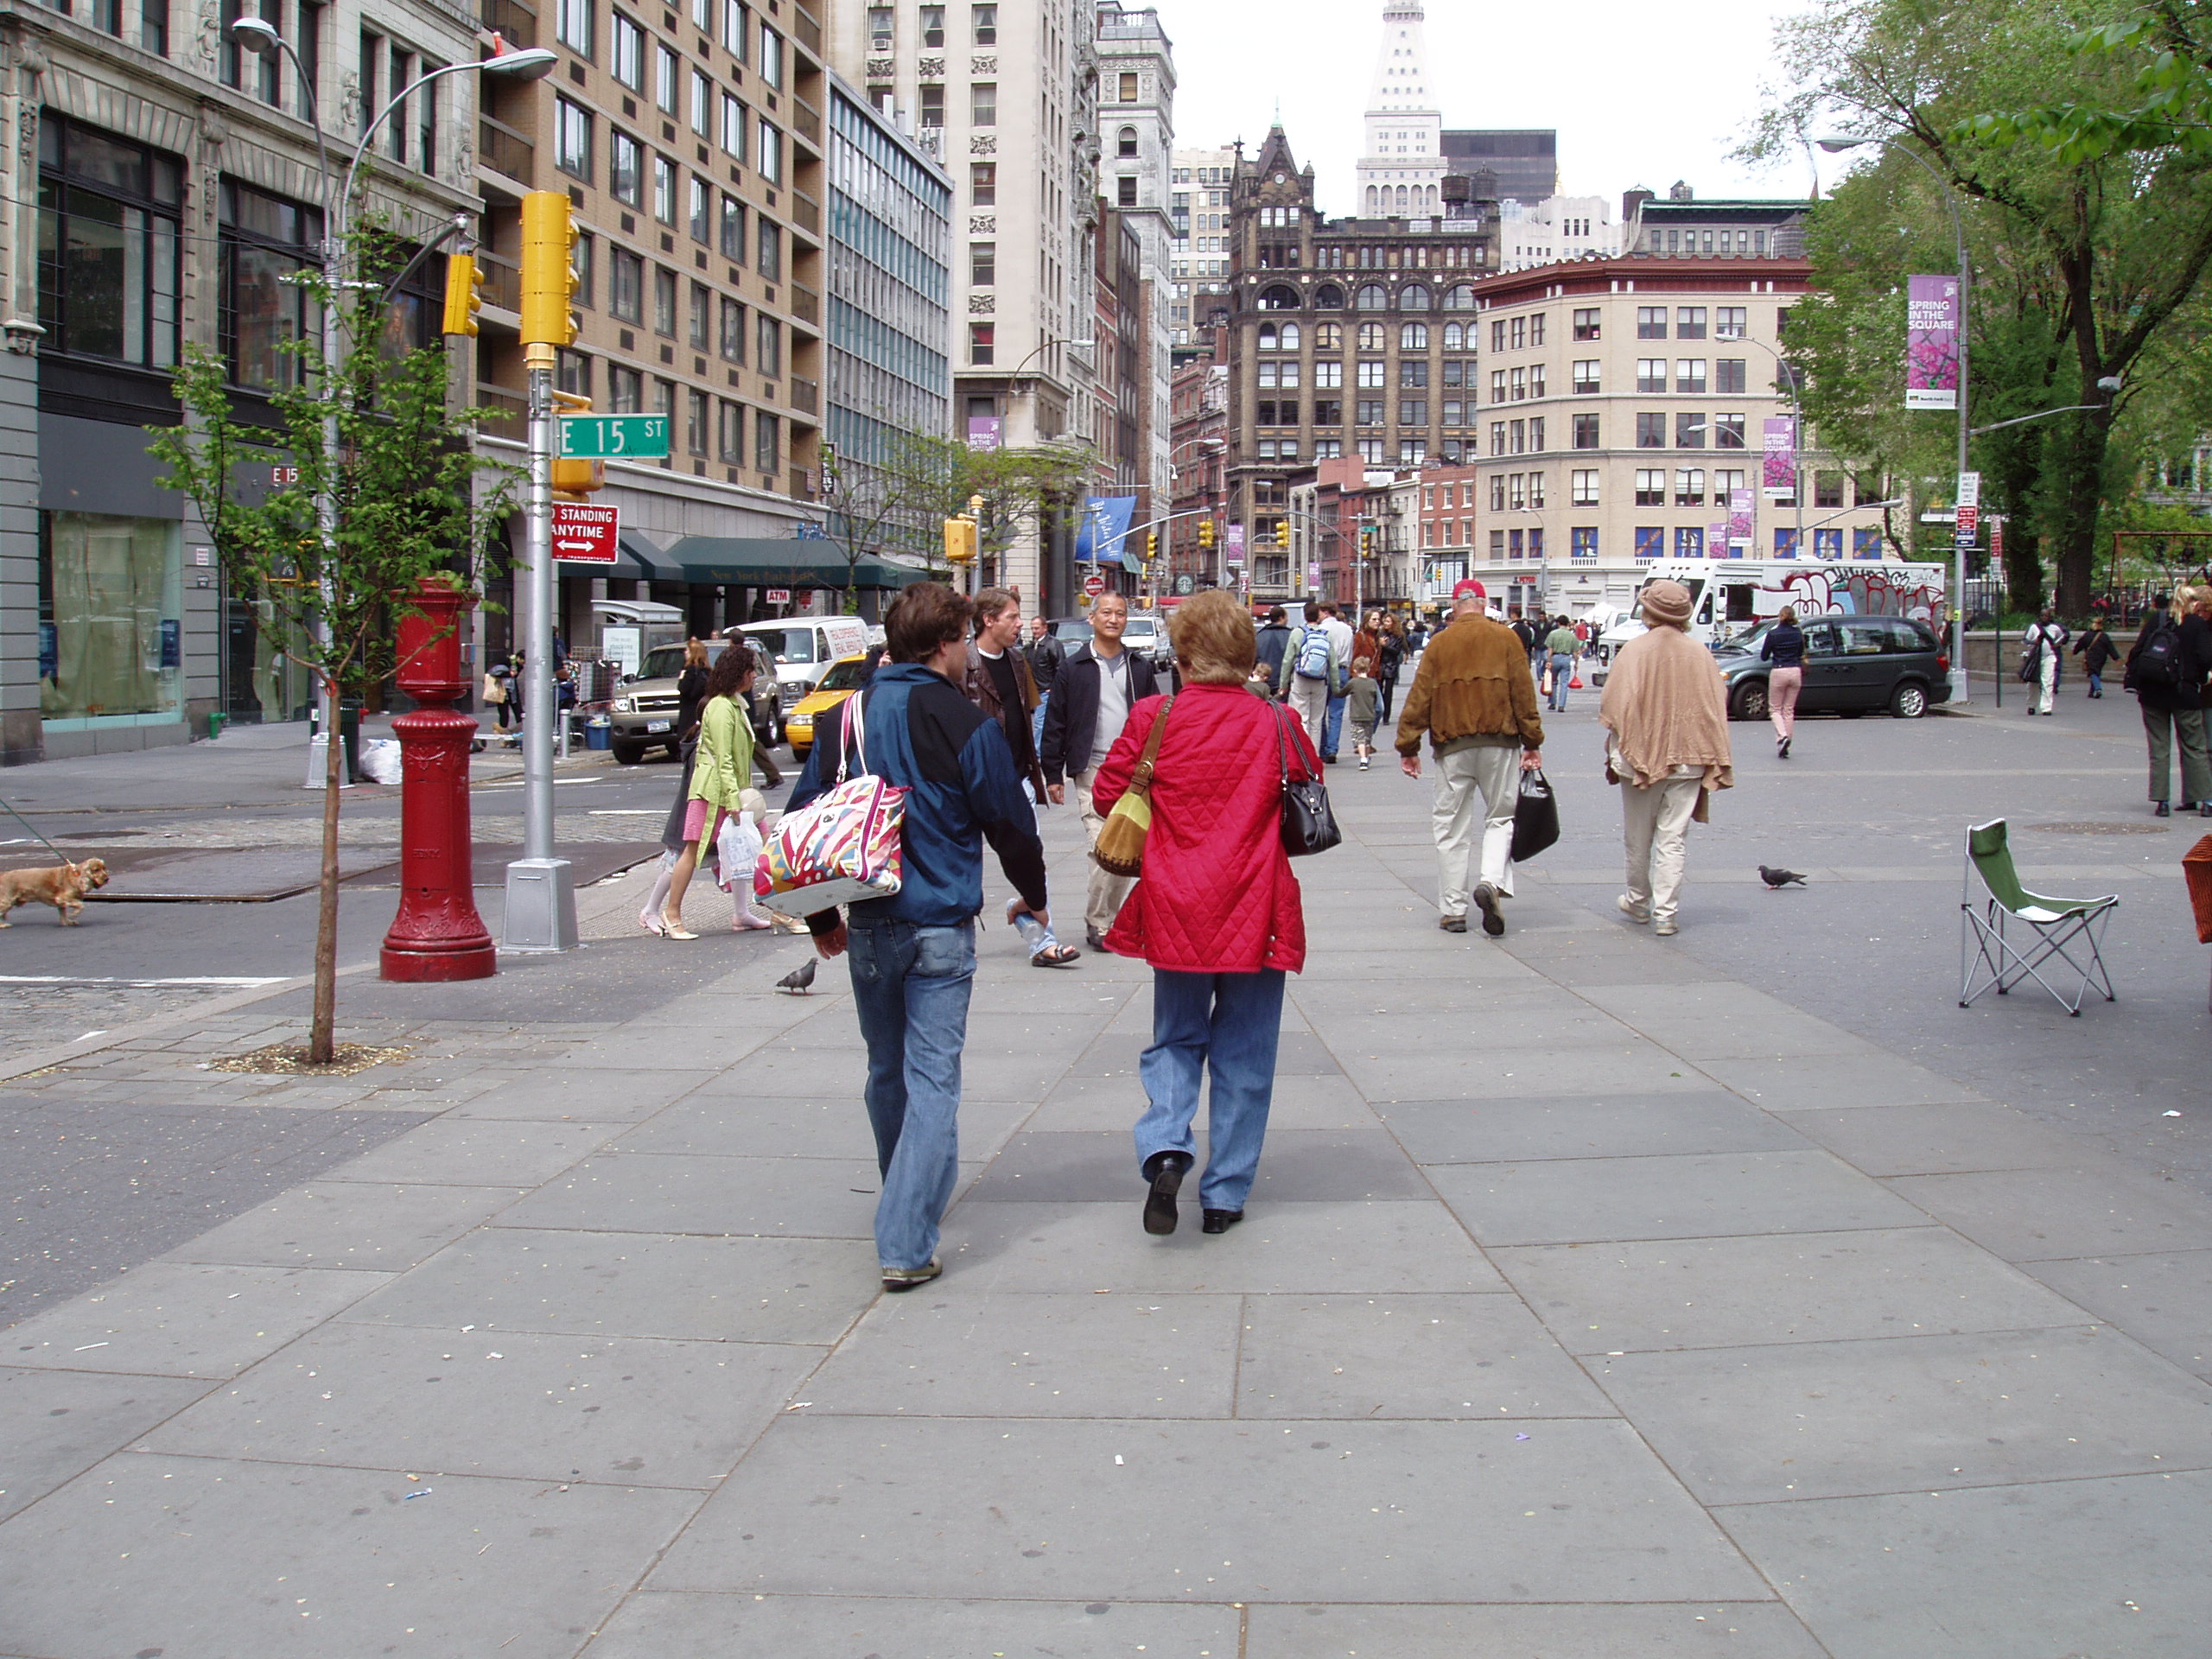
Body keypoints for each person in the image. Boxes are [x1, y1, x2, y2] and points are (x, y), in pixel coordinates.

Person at [788, 582, 1052, 1291]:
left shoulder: (846, 718)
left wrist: (822, 917)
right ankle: (906, 1237)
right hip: (939, 922)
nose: (967, 651)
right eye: (963, 638)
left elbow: (803, 822)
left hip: (870, 922)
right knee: (933, 1078)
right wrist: (1034, 895)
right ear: (943, 644)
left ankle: (902, 1191)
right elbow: (1010, 824)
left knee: (886, 1069)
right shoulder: (966, 723)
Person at [1090, 590, 1321, 1237]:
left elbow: (1108, 793)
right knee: (1246, 1054)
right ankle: (1225, 1194)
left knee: (1175, 1038)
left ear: (1185, 657)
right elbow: (1309, 788)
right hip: (1255, 903)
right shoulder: (1277, 720)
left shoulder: (1155, 716)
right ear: (1246, 657)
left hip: (1177, 902)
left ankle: (1167, 1146)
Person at [1395, 579, 1544, 937]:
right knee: (1500, 817)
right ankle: (1490, 881)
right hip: (1500, 741)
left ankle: (1453, 910)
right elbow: (1524, 694)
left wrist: (1409, 747)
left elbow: (1420, 697)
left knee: (1451, 827)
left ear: (1455, 605)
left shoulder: (1440, 643)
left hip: (1453, 744)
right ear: (1483, 602)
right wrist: (1532, 740)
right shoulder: (1507, 638)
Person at [1599, 580, 1733, 937]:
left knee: (1638, 837)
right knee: (1673, 838)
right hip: (1690, 755)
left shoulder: (1634, 651)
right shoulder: (1700, 653)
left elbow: (1613, 704)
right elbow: (1715, 704)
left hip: (1640, 757)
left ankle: (1638, 901)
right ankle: (1666, 912)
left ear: (1648, 611)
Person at [1041, 590, 1163, 950]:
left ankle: (1107, 920)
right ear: (1092, 618)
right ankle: (1099, 923)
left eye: (1120, 613)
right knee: (1102, 846)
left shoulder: (1139, 667)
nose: (1113, 619)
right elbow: (1055, 722)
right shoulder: (1073, 667)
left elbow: (1158, 719)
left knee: (1124, 849)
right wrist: (1053, 774)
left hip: (1134, 774)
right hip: (1092, 769)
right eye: (1106, 613)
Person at [658, 641, 759, 940]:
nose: (755, 676)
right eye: (751, 670)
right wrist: (734, 799)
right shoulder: (722, 707)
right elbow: (724, 758)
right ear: (738, 673)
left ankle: (772, 910)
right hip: (713, 793)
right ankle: (671, 913)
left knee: (757, 846)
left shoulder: (732, 704)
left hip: (729, 791)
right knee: (691, 851)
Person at [2125, 587, 2212, 817]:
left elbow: (2137, 652)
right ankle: (2205, 799)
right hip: (2185, 693)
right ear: (2193, 603)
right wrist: (2199, 676)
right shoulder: (2196, 624)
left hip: (2153, 692)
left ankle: (2161, 801)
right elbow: (2205, 657)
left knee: (2159, 748)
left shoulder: (2158, 620)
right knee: (2194, 746)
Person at [962, 588, 1046, 798]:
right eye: (1012, 617)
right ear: (989, 620)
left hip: (1021, 781)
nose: (1020, 623)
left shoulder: (1018, 661)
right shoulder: (963, 665)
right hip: (983, 786)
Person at [1277, 600, 1345, 754]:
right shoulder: (1325, 634)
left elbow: (1287, 660)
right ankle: (1314, 755)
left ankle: (1302, 754)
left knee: (1301, 718)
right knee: (1316, 721)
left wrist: (1283, 684)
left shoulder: (1297, 633)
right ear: (1318, 615)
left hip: (1301, 679)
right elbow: (1333, 663)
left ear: (1304, 615)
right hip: (1320, 681)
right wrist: (1336, 686)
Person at [1760, 604, 1807, 759]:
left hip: (1779, 670)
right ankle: (1787, 743)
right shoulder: (1798, 633)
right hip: (1795, 671)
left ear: (1780, 617)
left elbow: (1764, 656)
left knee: (1775, 709)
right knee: (1789, 710)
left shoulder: (1773, 634)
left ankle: (1782, 736)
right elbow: (1800, 652)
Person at [1319, 601, 1357, 762]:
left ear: (1325, 612)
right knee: (1336, 713)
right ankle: (1332, 748)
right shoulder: (1347, 629)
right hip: (1342, 670)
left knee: (1320, 712)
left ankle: (1323, 748)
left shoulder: (1321, 629)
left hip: (1324, 670)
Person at [1026, 615, 1065, 750]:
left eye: (1036, 628)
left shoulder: (1052, 644)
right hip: (1036, 689)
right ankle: (1039, 749)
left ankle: (1037, 751)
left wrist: (1053, 687)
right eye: (1032, 628)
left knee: (1040, 722)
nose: (1034, 631)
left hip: (1045, 689)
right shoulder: (1033, 646)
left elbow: (1060, 667)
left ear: (1045, 628)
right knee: (1040, 721)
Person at [2022, 609, 2069, 715]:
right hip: (2035, 658)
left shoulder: (2055, 628)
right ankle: (2031, 705)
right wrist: (2034, 642)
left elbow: (2063, 636)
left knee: (2048, 682)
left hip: (2049, 657)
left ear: (2050, 617)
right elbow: (2025, 640)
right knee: (2033, 683)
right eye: (2042, 615)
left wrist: (2057, 644)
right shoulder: (2034, 627)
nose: (2044, 618)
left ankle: (2046, 707)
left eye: (2046, 616)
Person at [1345, 655, 1381, 770]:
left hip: (1356, 715)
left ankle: (1363, 760)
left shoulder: (1353, 683)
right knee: (1367, 739)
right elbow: (1376, 699)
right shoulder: (1372, 683)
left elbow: (1342, 693)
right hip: (1369, 715)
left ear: (1355, 670)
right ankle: (1366, 756)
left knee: (1359, 739)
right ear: (1368, 669)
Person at [2073, 614, 2117, 698]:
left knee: (2093, 672)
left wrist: (2075, 651)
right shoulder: (2104, 636)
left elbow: (2080, 644)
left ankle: (2098, 688)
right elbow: (2110, 647)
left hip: (2091, 656)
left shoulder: (2087, 635)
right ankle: (2091, 691)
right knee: (2096, 672)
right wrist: (2116, 657)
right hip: (2102, 657)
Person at [1543, 614, 1580, 714]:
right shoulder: (1572, 636)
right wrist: (1576, 663)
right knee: (1564, 683)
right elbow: (1575, 653)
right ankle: (1561, 705)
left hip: (1555, 657)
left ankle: (1552, 702)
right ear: (1567, 624)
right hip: (1566, 658)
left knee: (1553, 682)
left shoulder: (1553, 634)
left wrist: (1549, 661)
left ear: (1558, 623)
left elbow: (1550, 649)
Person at [1253, 605, 1294, 696]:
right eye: (1286, 617)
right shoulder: (1290, 635)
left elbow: (1253, 658)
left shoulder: (1259, 636)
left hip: (1263, 680)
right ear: (1281, 618)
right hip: (1283, 683)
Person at [1376, 614, 1406, 722]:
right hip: (1379, 665)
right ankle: (1378, 712)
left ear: (1394, 623)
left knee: (1388, 693)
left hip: (1390, 665)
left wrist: (1385, 645)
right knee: (1378, 691)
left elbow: (1396, 651)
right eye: (1385, 621)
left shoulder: (1399, 636)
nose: (1386, 623)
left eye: (1388, 621)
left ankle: (1386, 717)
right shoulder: (1380, 633)